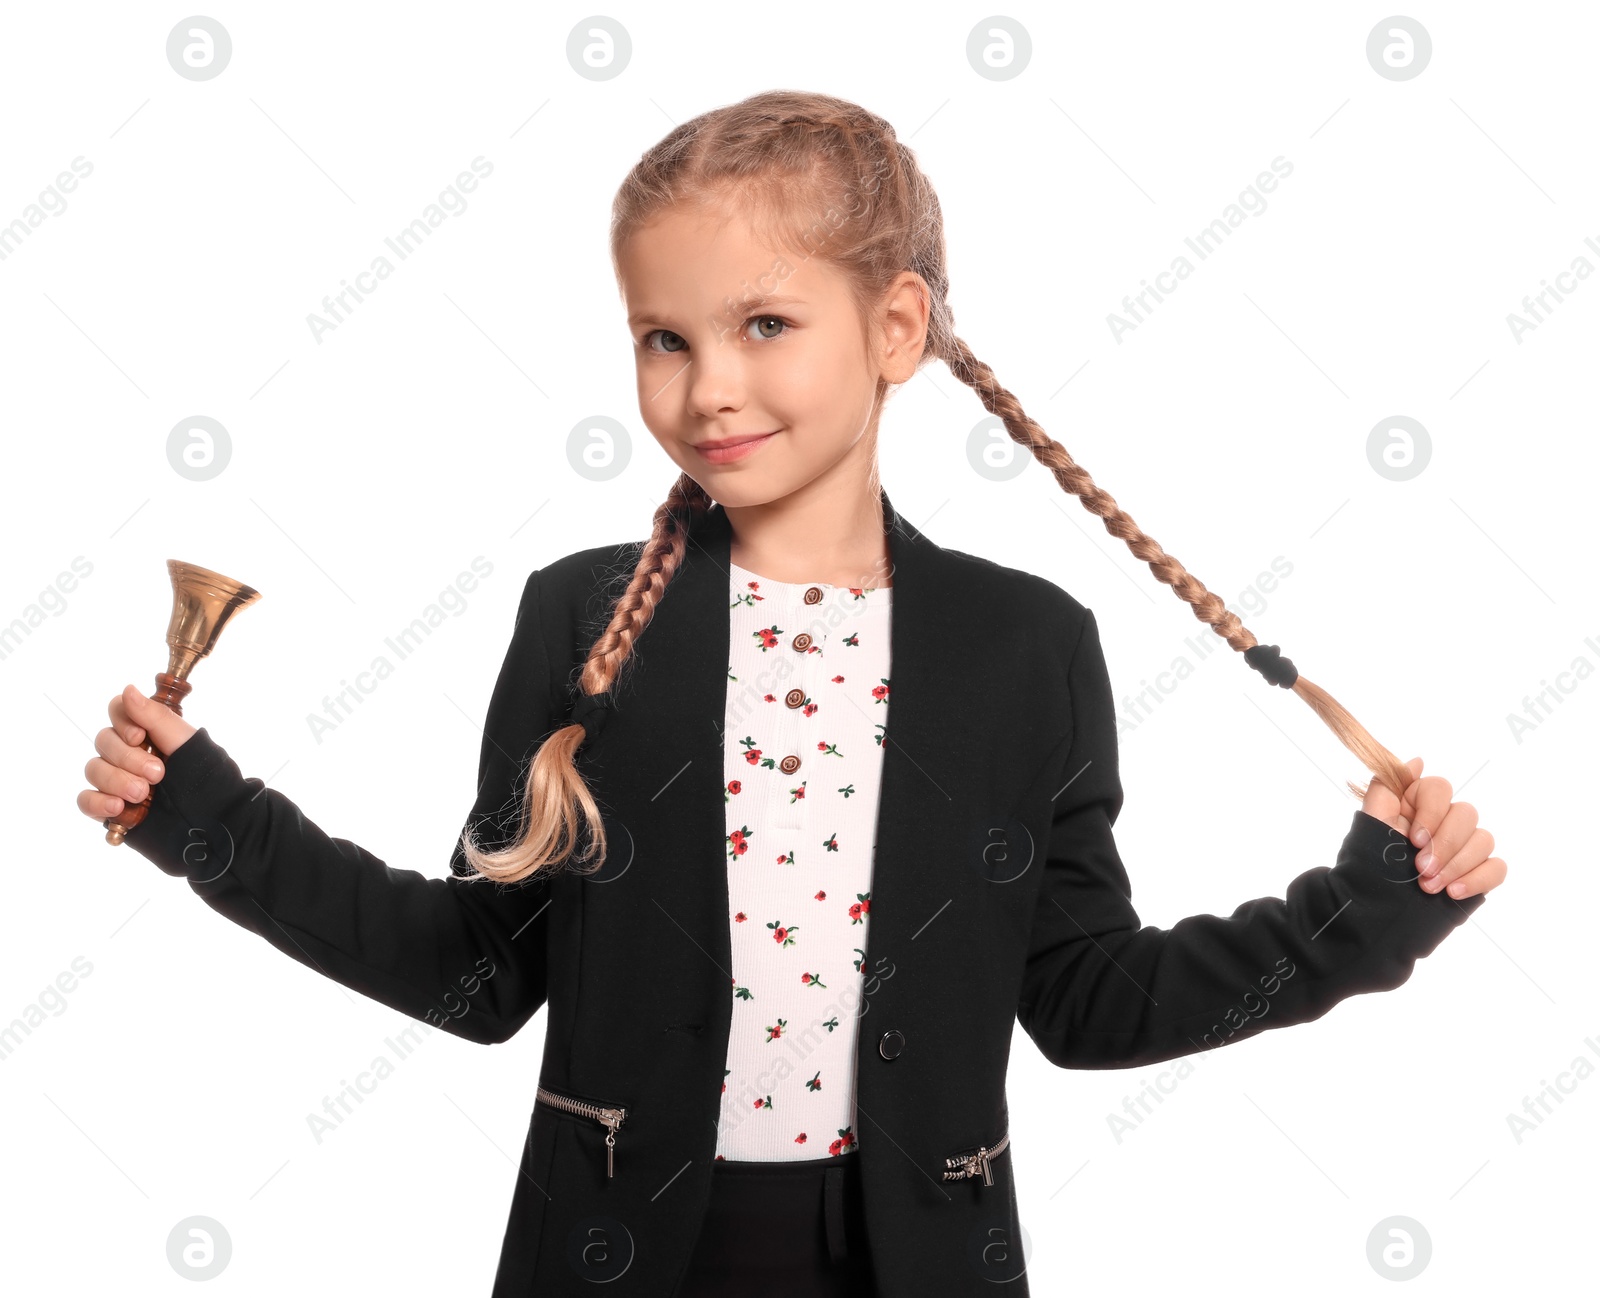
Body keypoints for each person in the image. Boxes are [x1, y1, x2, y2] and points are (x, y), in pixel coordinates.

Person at [78, 90, 1507, 1297]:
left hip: (918, 1256)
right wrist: (205, 813)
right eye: (666, 336)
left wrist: (1373, 909)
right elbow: (481, 970)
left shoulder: (1029, 646)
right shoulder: (580, 619)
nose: (710, 388)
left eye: (765, 323)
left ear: (896, 326)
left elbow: (1085, 998)